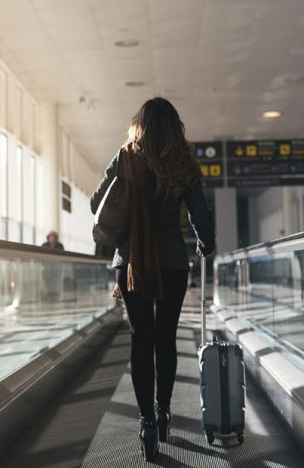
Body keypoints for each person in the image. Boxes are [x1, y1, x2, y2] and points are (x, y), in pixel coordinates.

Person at [90, 97, 215, 461]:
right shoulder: (184, 162)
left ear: (139, 124)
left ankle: (145, 423)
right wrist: (206, 243)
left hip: (130, 262)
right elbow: (199, 212)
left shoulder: (126, 156)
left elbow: (97, 201)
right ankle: (163, 413)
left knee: (140, 338)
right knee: (165, 338)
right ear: (175, 126)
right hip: (173, 262)